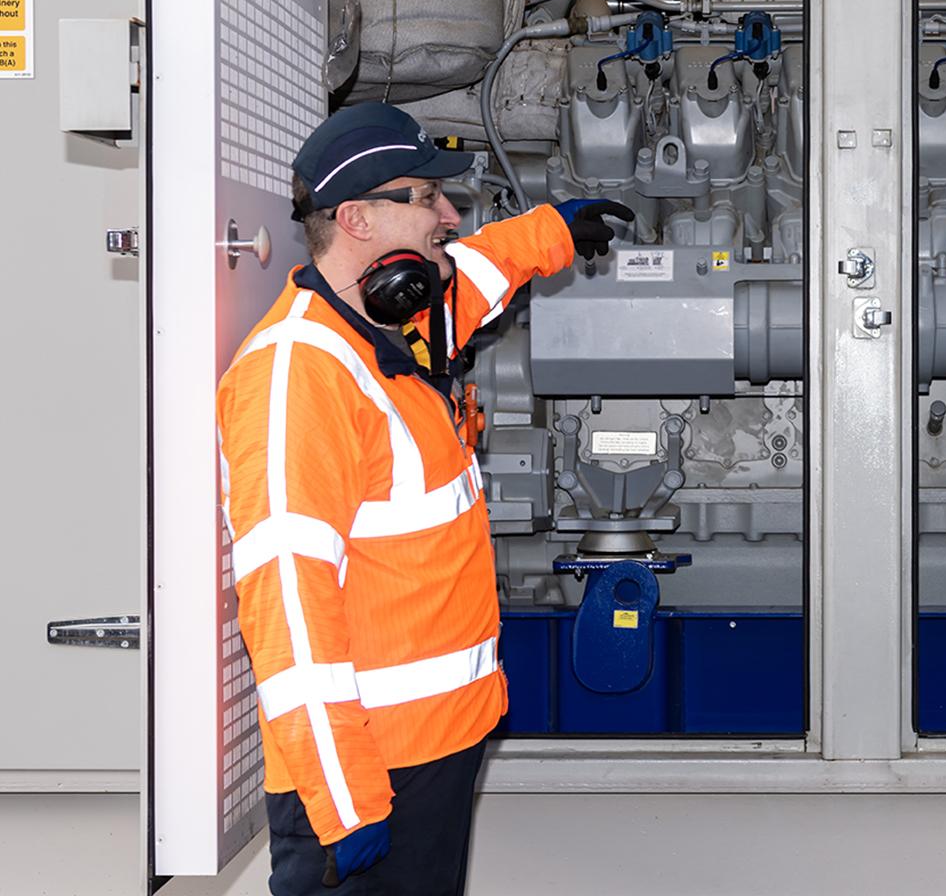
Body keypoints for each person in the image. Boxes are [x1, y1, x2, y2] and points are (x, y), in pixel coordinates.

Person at [215, 102, 633, 894]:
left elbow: (471, 273)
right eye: (424, 198)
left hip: (437, 748)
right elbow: (288, 610)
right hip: (369, 773)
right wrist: (345, 801)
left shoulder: (390, 324)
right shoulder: (299, 377)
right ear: (355, 219)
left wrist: (553, 232)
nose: (448, 214)